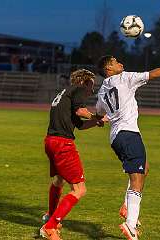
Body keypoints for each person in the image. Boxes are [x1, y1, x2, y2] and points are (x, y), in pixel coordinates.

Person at [96, 56, 160, 240]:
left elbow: (100, 112)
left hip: (116, 138)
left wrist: (102, 119)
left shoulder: (102, 90)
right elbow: (152, 74)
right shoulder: (125, 77)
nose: (120, 63)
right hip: (128, 133)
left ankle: (127, 206)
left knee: (144, 168)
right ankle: (131, 225)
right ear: (109, 68)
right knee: (137, 179)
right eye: (116, 61)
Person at [40, 69, 105, 240]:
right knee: (79, 189)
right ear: (84, 82)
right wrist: (96, 116)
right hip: (63, 144)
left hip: (50, 141)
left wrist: (95, 122)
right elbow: (80, 111)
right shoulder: (78, 89)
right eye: (91, 85)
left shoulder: (65, 93)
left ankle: (51, 216)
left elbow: (80, 125)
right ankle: (50, 227)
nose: (92, 90)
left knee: (58, 180)